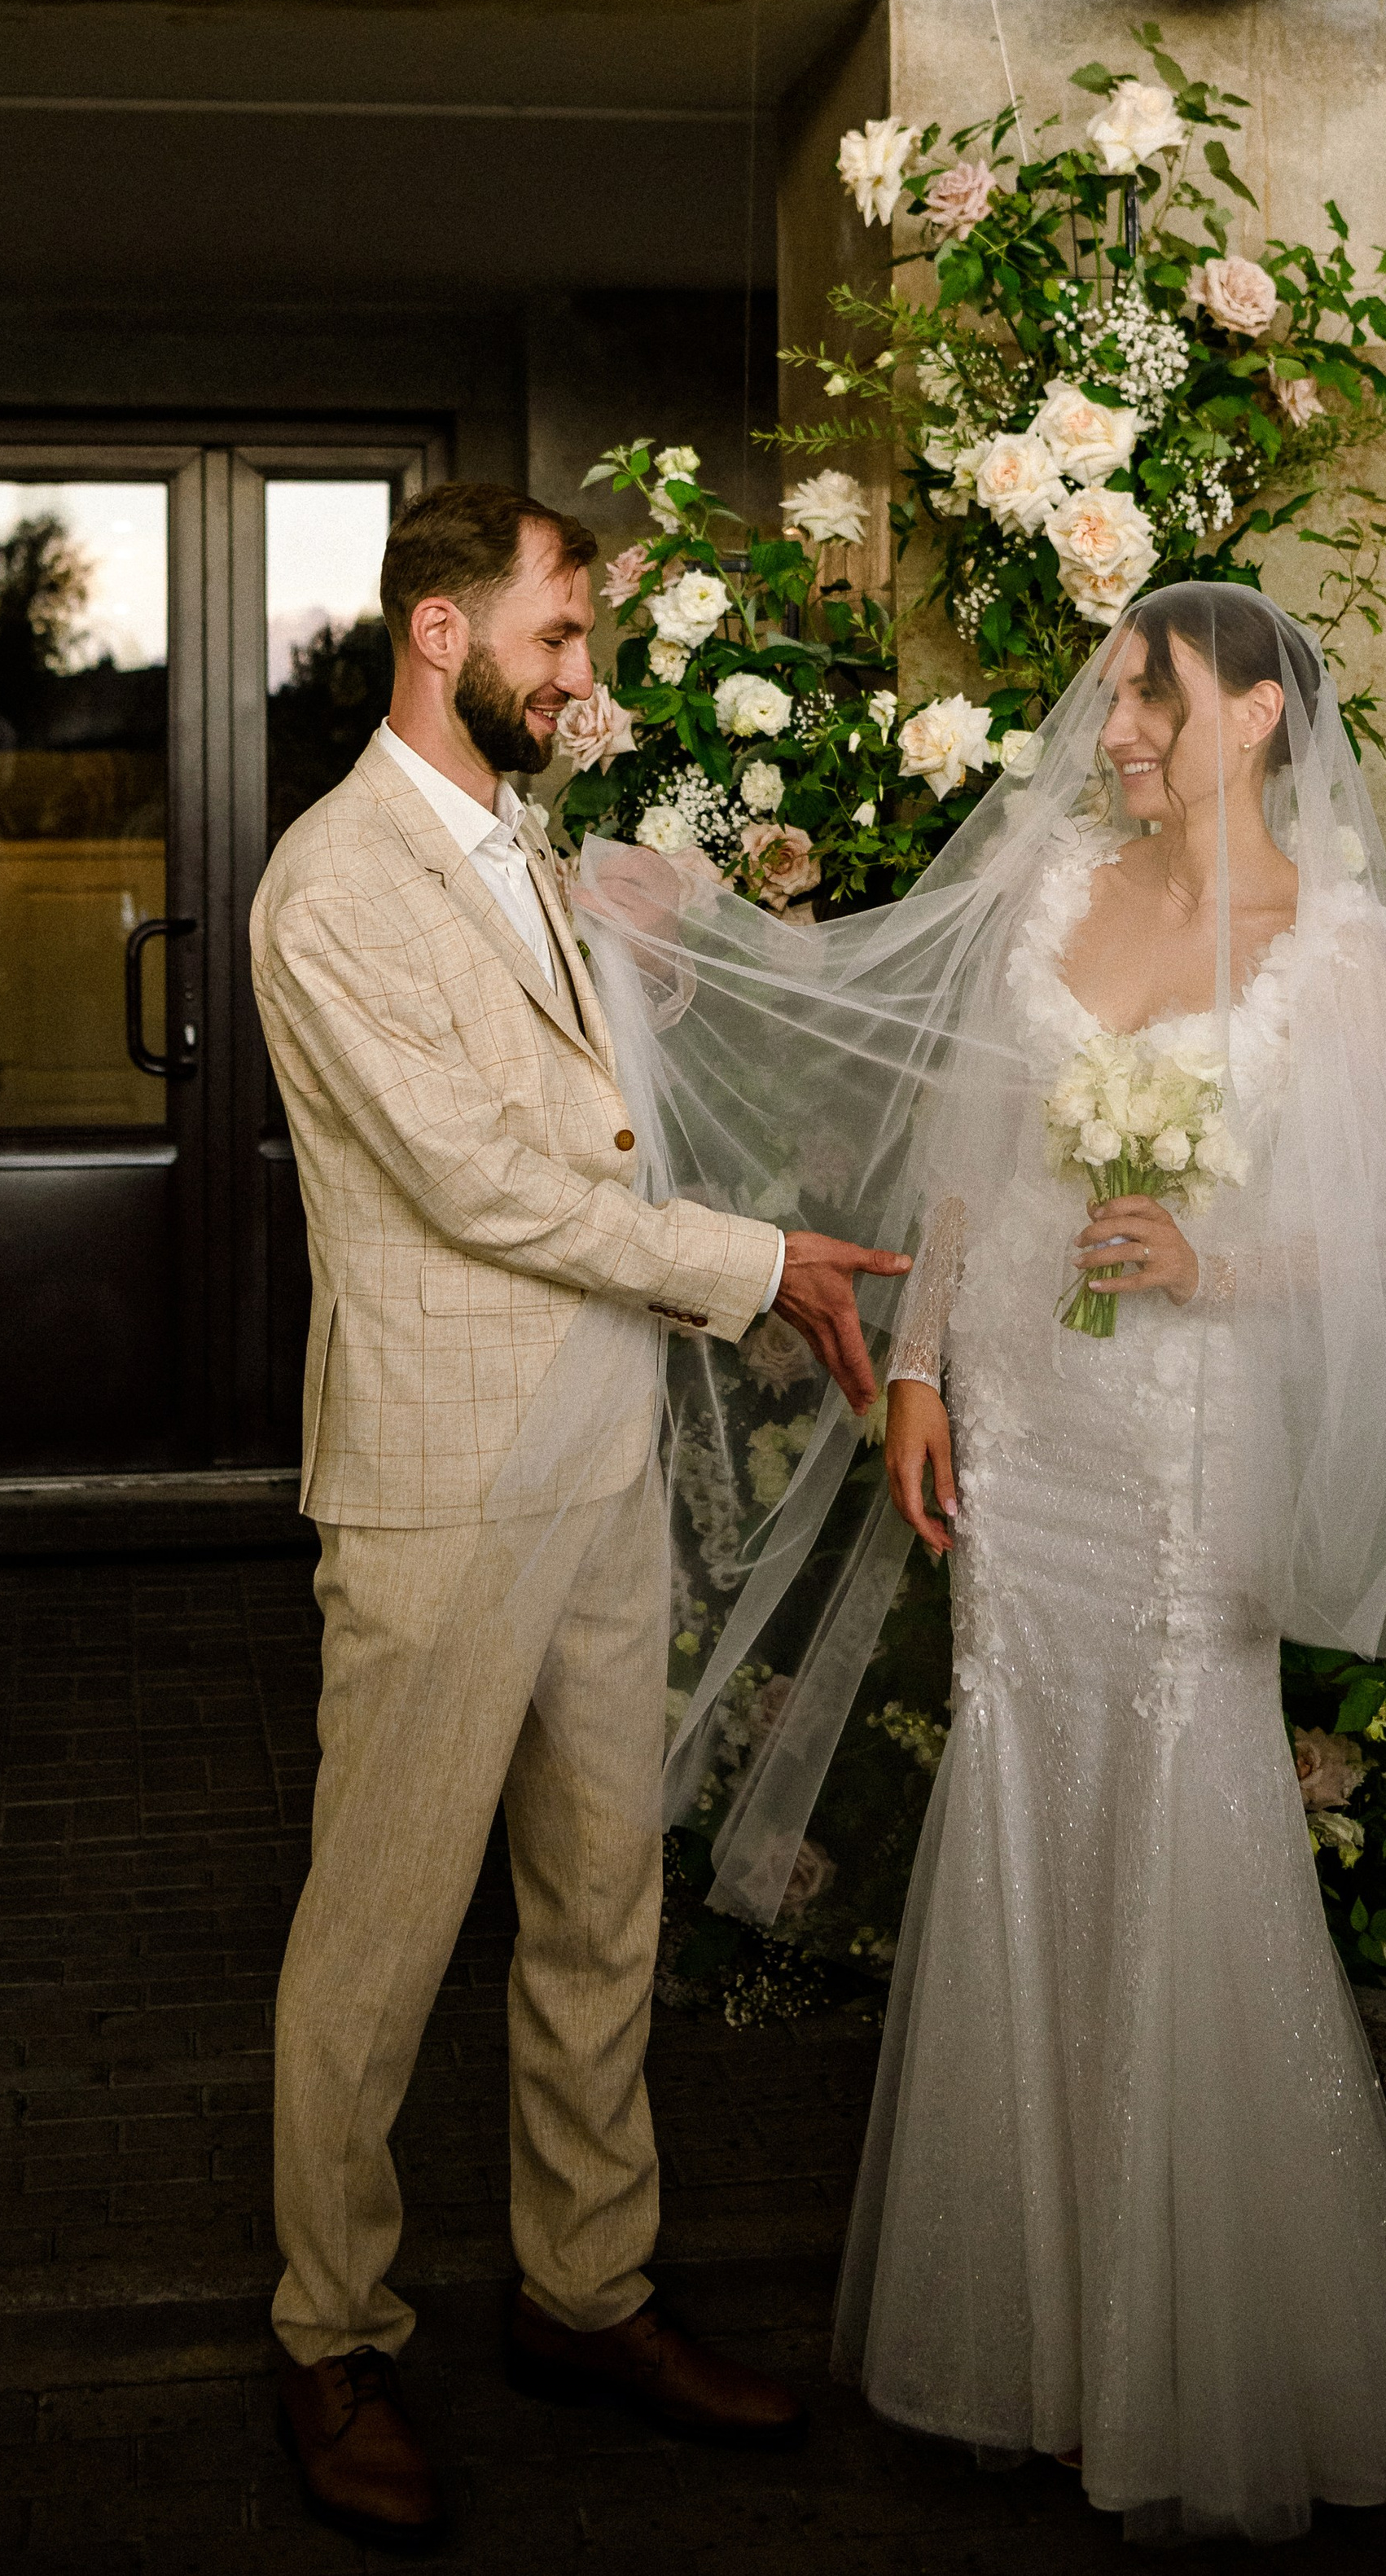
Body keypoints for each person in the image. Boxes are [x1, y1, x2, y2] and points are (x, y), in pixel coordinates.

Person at [579, 581, 1386, 2544]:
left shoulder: (1331, 954)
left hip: (1178, 1436)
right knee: (1024, 1788)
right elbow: (971, 1152)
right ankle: (1043, 2334)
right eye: (1117, 696)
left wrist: (1208, 1259)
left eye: (1149, 697)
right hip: (1025, 1422)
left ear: (1251, 719)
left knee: (1172, 1794)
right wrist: (914, 1375)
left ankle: (1186, 2354)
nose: (1117, 726)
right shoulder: (1060, 888)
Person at [251, 480, 907, 2553]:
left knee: (597, 1903)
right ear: (439, 631)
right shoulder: (329, 884)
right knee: (378, 1938)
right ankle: (331, 2335)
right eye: (555, 630)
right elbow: (477, 1186)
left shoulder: (529, 848)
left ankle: (583, 2293)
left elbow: (585, 1112)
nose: (582, 668)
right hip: (441, 1485)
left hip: (599, 1455)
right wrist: (753, 1267)